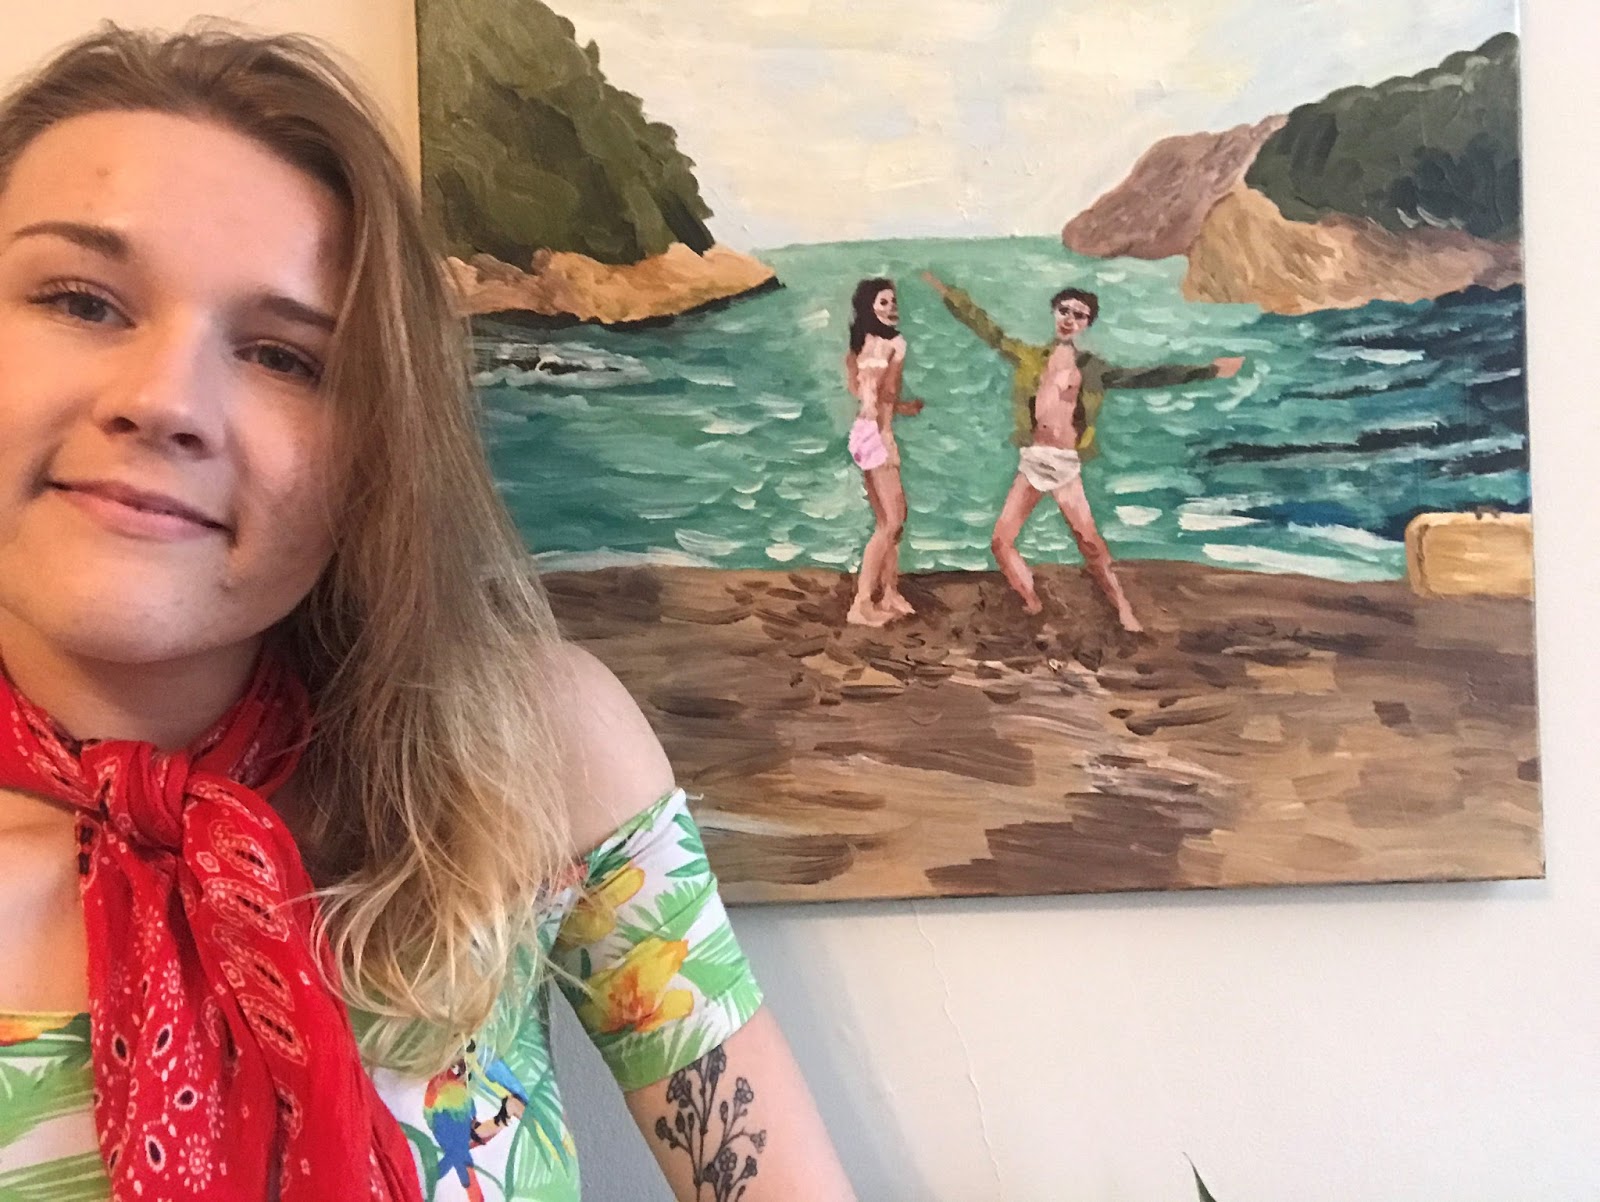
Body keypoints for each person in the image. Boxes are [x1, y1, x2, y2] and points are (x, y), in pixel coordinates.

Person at [0, 25, 857, 1202]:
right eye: (83, 301)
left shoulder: (527, 753)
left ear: (375, 446)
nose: (164, 401)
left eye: (285, 356)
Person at [922, 271, 1243, 633]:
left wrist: (1210, 370)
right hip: (1034, 460)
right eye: (1064, 310)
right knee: (1000, 542)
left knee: (1090, 544)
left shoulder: (1092, 369)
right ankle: (1031, 601)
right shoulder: (1029, 357)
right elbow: (988, 330)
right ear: (1054, 312)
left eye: (1079, 315)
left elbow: (1148, 376)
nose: (1069, 319)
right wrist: (946, 291)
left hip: (1064, 465)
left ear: (1087, 323)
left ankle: (1123, 608)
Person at [843, 277, 923, 626]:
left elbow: (858, 389)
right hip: (878, 435)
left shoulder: (859, 345)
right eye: (884, 302)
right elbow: (889, 393)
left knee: (887, 520)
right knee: (893, 522)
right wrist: (904, 411)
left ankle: (889, 591)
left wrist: (892, 407)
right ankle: (862, 602)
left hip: (861, 432)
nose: (892, 308)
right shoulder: (896, 345)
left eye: (893, 302)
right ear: (870, 307)